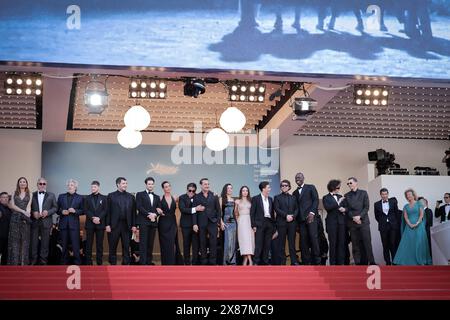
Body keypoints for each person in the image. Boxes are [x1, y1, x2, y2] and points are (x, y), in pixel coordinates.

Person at [342, 177, 376, 265]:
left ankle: (371, 262)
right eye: (348, 183)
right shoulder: (346, 195)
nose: (349, 185)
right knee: (355, 245)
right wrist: (354, 218)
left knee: (367, 243)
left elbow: (366, 207)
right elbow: (347, 209)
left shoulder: (364, 193)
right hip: (352, 223)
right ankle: (358, 263)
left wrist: (359, 217)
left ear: (356, 183)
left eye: (350, 183)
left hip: (363, 222)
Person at [393, 189, 432, 265]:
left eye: (410, 194)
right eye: (407, 195)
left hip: (419, 226)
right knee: (408, 244)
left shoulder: (419, 204)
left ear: (413, 195)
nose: (409, 196)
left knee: (419, 243)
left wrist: (417, 223)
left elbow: (421, 215)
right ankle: (409, 261)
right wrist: (410, 224)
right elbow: (406, 217)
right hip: (409, 227)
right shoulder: (406, 206)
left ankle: (421, 260)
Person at [106, 177, 137, 265]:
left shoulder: (131, 197)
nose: (125, 185)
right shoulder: (111, 196)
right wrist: (107, 224)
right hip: (113, 225)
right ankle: (112, 264)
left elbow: (133, 212)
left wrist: (134, 225)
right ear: (118, 184)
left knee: (126, 246)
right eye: (123, 183)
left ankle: (126, 264)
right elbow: (108, 211)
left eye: (126, 183)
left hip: (127, 225)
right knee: (112, 246)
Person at [292, 172, 321, 265]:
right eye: (296, 177)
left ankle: (317, 261)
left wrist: (312, 213)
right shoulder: (294, 193)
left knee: (313, 238)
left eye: (299, 177)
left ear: (303, 178)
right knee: (303, 241)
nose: (298, 179)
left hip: (311, 218)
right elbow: (295, 208)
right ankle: (306, 262)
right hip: (301, 221)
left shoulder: (311, 187)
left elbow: (316, 200)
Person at [193, 178, 222, 265]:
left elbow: (218, 210)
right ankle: (204, 261)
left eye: (208, 184)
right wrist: (194, 224)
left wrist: (218, 220)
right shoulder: (196, 196)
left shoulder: (214, 195)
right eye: (205, 184)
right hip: (201, 223)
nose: (207, 186)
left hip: (213, 222)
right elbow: (194, 212)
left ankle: (213, 262)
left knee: (213, 242)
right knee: (202, 242)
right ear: (201, 185)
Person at [30, 178, 58, 265]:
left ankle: (43, 261)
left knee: (45, 243)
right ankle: (33, 260)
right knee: (33, 243)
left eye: (44, 184)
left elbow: (55, 208)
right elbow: (27, 208)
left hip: (46, 222)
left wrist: (48, 212)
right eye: (40, 183)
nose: (42, 185)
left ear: (46, 185)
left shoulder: (51, 195)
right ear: (37, 184)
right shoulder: (31, 195)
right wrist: (32, 213)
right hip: (35, 221)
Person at [135, 177, 162, 265]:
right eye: (149, 184)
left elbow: (158, 209)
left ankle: (149, 261)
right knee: (143, 243)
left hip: (153, 222)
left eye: (152, 184)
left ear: (154, 185)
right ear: (146, 185)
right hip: (143, 222)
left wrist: (155, 215)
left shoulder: (157, 197)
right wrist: (149, 214)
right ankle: (143, 262)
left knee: (150, 243)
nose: (150, 185)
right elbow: (139, 207)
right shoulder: (139, 194)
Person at [57, 179, 84, 265]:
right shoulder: (61, 196)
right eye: (68, 185)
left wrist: (75, 211)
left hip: (74, 225)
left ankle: (77, 263)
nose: (69, 186)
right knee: (64, 245)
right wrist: (61, 212)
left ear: (75, 187)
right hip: (63, 224)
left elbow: (83, 210)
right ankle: (64, 262)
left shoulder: (80, 197)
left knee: (75, 245)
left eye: (71, 185)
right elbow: (57, 209)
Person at [7, 177, 32, 265]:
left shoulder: (30, 193)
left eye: (24, 182)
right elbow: (12, 205)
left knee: (24, 241)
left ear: (26, 183)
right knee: (14, 241)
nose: (22, 183)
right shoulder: (14, 192)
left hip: (25, 220)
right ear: (18, 183)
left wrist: (28, 214)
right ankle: (14, 263)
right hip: (15, 218)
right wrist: (23, 211)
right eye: (20, 182)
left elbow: (29, 206)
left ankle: (23, 263)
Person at [274, 180, 298, 265]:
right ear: (280, 187)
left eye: (286, 185)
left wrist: (293, 216)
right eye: (282, 186)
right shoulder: (277, 197)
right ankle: (282, 262)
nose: (284, 187)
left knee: (292, 244)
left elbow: (296, 209)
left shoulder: (293, 198)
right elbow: (277, 209)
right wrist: (286, 216)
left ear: (289, 187)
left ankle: (294, 261)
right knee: (281, 244)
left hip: (292, 223)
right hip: (281, 223)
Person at [374, 188, 401, 265]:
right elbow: (377, 216)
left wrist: (394, 222)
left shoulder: (393, 201)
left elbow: (396, 213)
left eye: (386, 194)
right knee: (385, 244)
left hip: (392, 226)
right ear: (380, 195)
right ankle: (388, 262)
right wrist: (383, 221)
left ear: (388, 194)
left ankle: (394, 261)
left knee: (393, 243)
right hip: (383, 227)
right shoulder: (376, 204)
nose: (384, 196)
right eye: (383, 194)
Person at [322, 179, 346, 265]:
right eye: (338, 187)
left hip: (341, 223)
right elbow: (328, 208)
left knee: (341, 243)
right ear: (333, 187)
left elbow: (346, 207)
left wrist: (344, 209)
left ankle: (341, 263)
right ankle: (333, 264)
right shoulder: (326, 197)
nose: (339, 189)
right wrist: (338, 202)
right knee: (333, 243)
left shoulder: (341, 196)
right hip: (331, 223)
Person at [250, 181, 275, 265]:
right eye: (268, 187)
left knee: (267, 244)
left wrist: (273, 226)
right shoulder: (255, 198)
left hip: (269, 223)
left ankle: (265, 261)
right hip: (259, 223)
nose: (270, 189)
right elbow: (252, 213)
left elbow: (272, 214)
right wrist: (253, 225)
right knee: (259, 243)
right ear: (263, 189)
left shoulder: (271, 199)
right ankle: (256, 262)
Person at [84, 180, 107, 265]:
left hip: (100, 224)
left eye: (94, 187)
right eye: (92, 187)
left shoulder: (104, 198)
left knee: (99, 244)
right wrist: (93, 218)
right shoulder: (87, 198)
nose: (93, 188)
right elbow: (86, 210)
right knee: (88, 244)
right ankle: (88, 262)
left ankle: (99, 262)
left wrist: (99, 218)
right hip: (90, 224)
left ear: (98, 187)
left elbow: (105, 210)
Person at [178, 183, 203, 265]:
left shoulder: (198, 197)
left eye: (193, 191)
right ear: (187, 189)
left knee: (196, 246)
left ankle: (194, 263)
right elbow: (183, 209)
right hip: (185, 225)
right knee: (186, 245)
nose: (191, 192)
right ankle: (187, 263)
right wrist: (195, 208)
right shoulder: (182, 197)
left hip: (196, 225)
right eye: (190, 190)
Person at [159, 181, 178, 265]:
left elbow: (188, 198)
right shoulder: (160, 198)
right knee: (164, 244)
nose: (168, 188)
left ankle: (172, 263)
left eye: (169, 186)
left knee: (172, 242)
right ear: (163, 188)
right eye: (166, 187)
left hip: (173, 222)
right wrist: (157, 210)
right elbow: (155, 208)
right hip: (163, 222)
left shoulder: (175, 197)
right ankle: (165, 263)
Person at [235, 186, 254, 266]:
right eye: (243, 190)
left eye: (246, 190)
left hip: (249, 221)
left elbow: (253, 212)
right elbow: (236, 213)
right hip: (241, 221)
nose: (245, 192)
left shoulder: (251, 201)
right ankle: (250, 261)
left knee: (249, 240)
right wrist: (238, 221)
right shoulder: (237, 201)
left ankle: (246, 260)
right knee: (243, 241)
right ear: (241, 192)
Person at [220, 183, 237, 265]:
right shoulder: (221, 199)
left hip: (233, 222)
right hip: (225, 222)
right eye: (228, 188)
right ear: (225, 189)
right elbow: (219, 212)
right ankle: (226, 261)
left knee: (233, 242)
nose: (230, 190)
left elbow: (235, 213)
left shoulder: (233, 200)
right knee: (227, 242)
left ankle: (232, 261)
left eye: (231, 188)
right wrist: (221, 222)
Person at [0, 192, 12, 265]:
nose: (5, 198)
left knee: (5, 254)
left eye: (6, 197)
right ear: (0, 199)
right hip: (0, 235)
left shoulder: (10, 208)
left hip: (8, 235)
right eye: (3, 197)